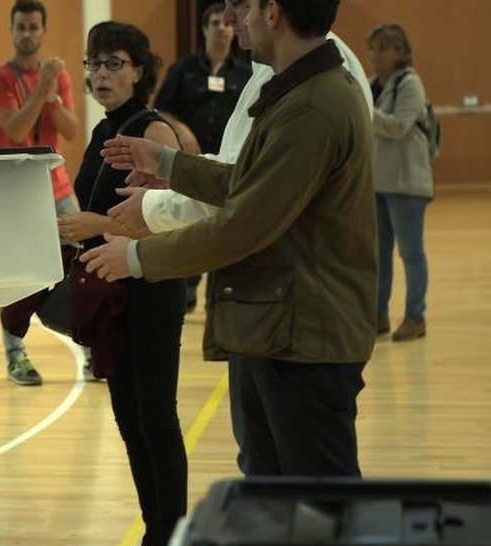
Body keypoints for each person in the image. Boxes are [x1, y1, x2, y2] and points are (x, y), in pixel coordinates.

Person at [85, 0, 375, 477]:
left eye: (244, 5)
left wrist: (136, 257)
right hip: (280, 325)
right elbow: (249, 179)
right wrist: (167, 163)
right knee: (269, 494)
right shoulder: (293, 88)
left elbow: (244, 224)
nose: (231, 19)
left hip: (304, 336)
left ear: (274, 12)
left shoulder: (314, 105)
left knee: (320, 507)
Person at [55, 21, 187, 546]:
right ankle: (154, 528)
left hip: (152, 285)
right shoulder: (103, 130)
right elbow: (90, 204)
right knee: (129, 418)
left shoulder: (154, 133)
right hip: (111, 289)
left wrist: (96, 226)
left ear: (139, 70)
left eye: (113, 63)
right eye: (93, 63)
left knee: (156, 417)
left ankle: (171, 533)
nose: (100, 73)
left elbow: (176, 215)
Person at [0, 0, 83, 385]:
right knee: (14, 274)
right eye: (21, 27)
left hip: (57, 187)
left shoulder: (59, 77)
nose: (27, 34)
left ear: (44, 31)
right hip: (14, 193)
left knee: (82, 265)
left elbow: (72, 130)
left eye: (33, 27)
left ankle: (90, 346)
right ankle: (16, 356)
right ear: (11, 31)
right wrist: (43, 88)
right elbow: (16, 130)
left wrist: (52, 93)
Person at [153, 2, 251, 312]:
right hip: (192, 166)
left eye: (226, 25)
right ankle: (188, 291)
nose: (221, 28)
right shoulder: (183, 70)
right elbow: (161, 108)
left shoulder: (247, 73)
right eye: (214, 23)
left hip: (229, 167)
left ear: (233, 30)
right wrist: (181, 129)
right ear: (205, 29)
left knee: (223, 228)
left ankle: (217, 297)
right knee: (192, 225)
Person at [367, 23, 432, 342]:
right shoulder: (370, 85)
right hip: (377, 183)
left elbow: (398, 127)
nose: (374, 53)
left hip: (407, 185)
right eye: (373, 47)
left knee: (411, 253)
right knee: (379, 254)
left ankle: (415, 316)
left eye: (383, 47)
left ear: (401, 52)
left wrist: (362, 109)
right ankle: (378, 315)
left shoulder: (411, 84)